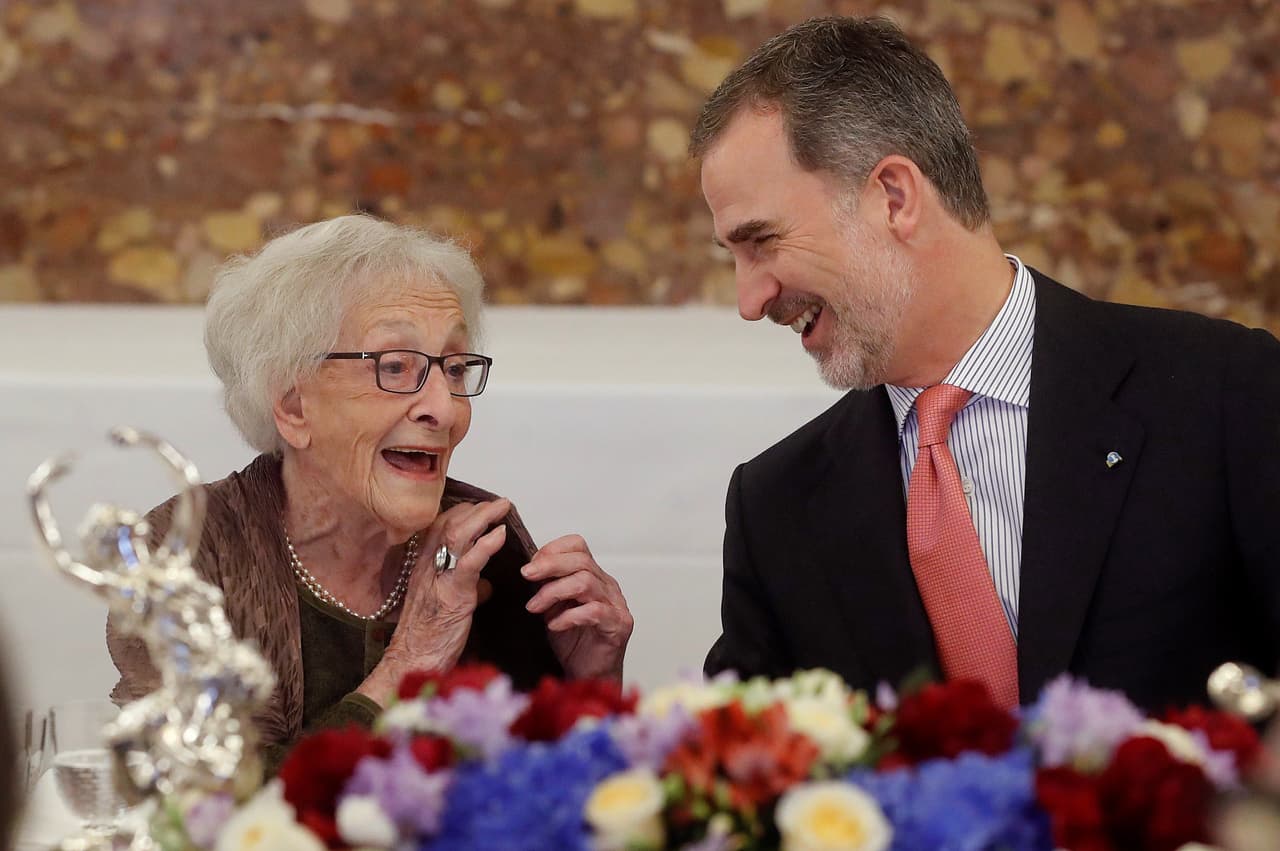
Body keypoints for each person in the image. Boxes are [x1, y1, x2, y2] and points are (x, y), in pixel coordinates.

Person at [693, 16, 1280, 711]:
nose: (750, 300)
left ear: (894, 197)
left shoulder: (1226, 393)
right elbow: (745, 762)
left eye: (761, 242)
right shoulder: (775, 508)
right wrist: (595, 684)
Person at [107, 215, 633, 764]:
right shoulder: (185, 556)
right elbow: (201, 801)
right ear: (293, 407)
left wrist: (589, 687)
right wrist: (413, 657)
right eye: (396, 366)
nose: (445, 409)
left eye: (454, 369)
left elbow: (542, 791)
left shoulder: (484, 545)